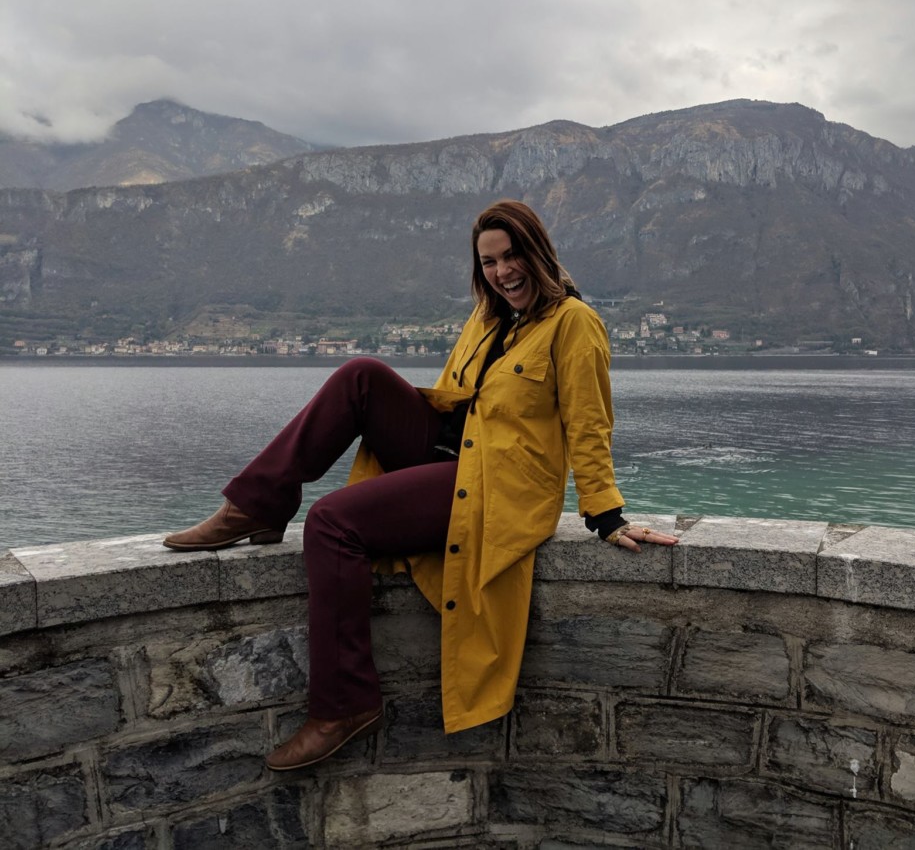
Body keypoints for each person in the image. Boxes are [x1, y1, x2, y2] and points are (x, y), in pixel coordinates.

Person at [163, 199, 677, 771]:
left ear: (538, 251)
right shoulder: (486, 316)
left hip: (498, 486)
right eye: (489, 263)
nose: (503, 273)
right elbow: (455, 397)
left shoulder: (574, 323)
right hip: (451, 453)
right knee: (361, 374)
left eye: (512, 257)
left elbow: (589, 422)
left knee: (333, 522)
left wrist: (606, 514)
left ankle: (344, 706)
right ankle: (256, 504)